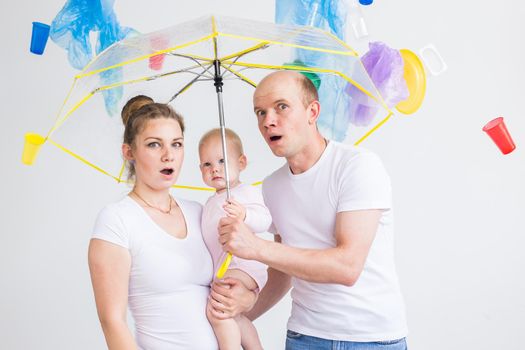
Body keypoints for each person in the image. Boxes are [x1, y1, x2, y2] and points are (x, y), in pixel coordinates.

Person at [218, 71, 408, 349]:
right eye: (260, 112)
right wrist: (239, 314)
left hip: (372, 339)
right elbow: (284, 271)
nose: (268, 121)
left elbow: (347, 267)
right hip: (304, 337)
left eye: (281, 107)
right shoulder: (272, 187)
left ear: (312, 111)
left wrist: (256, 247)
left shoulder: (357, 167)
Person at [88, 96, 257, 350]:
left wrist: (248, 298)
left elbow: (233, 276)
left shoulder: (199, 212)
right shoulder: (117, 220)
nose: (169, 156)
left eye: (176, 144)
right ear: (129, 152)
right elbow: (112, 322)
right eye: (154, 145)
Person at [198, 128, 271, 350]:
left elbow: (265, 220)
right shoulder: (211, 203)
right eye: (207, 165)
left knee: (218, 310)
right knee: (235, 316)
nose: (215, 169)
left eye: (222, 160)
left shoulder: (246, 193)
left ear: (242, 162)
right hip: (228, 267)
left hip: (245, 265)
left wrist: (245, 215)